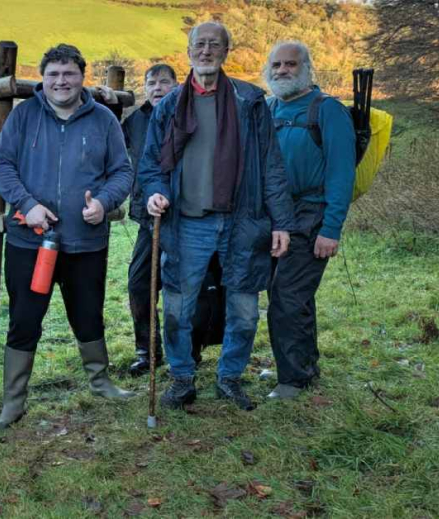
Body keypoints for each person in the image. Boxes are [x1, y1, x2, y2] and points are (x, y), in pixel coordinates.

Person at [139, 22, 295, 412]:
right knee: (177, 308)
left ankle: (230, 378)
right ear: (188, 50)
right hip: (186, 223)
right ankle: (180, 378)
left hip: (241, 221)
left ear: (227, 51)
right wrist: (155, 191)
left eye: (214, 45)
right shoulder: (170, 106)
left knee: (243, 310)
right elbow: (151, 165)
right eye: (199, 44)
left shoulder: (249, 102)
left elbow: (271, 165)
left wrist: (282, 222)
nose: (206, 51)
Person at [0, 43, 137, 430]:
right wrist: (26, 203)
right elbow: (0, 167)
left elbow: (122, 171)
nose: (60, 81)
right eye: (53, 74)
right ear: (42, 78)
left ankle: (101, 382)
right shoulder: (23, 117)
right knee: (24, 319)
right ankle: (13, 402)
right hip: (29, 242)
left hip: (86, 243)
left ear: (81, 76)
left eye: (68, 73)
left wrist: (104, 203)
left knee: (88, 315)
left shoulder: (103, 119)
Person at [264, 41, 356, 399]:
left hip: (312, 214)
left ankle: (293, 379)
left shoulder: (327, 110)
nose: (282, 70)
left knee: (287, 295)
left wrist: (331, 229)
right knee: (291, 294)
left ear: (307, 68)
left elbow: (340, 172)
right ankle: (302, 364)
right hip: (277, 216)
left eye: (290, 64)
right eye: (276, 65)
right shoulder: (269, 108)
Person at [98, 63, 178, 376]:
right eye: (151, 83)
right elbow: (110, 139)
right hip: (149, 216)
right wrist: (112, 105)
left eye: (164, 82)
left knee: (184, 286)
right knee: (139, 283)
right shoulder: (137, 121)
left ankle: (185, 352)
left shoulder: (187, 113)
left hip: (186, 216)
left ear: (176, 84)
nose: (157, 88)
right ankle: (148, 350)